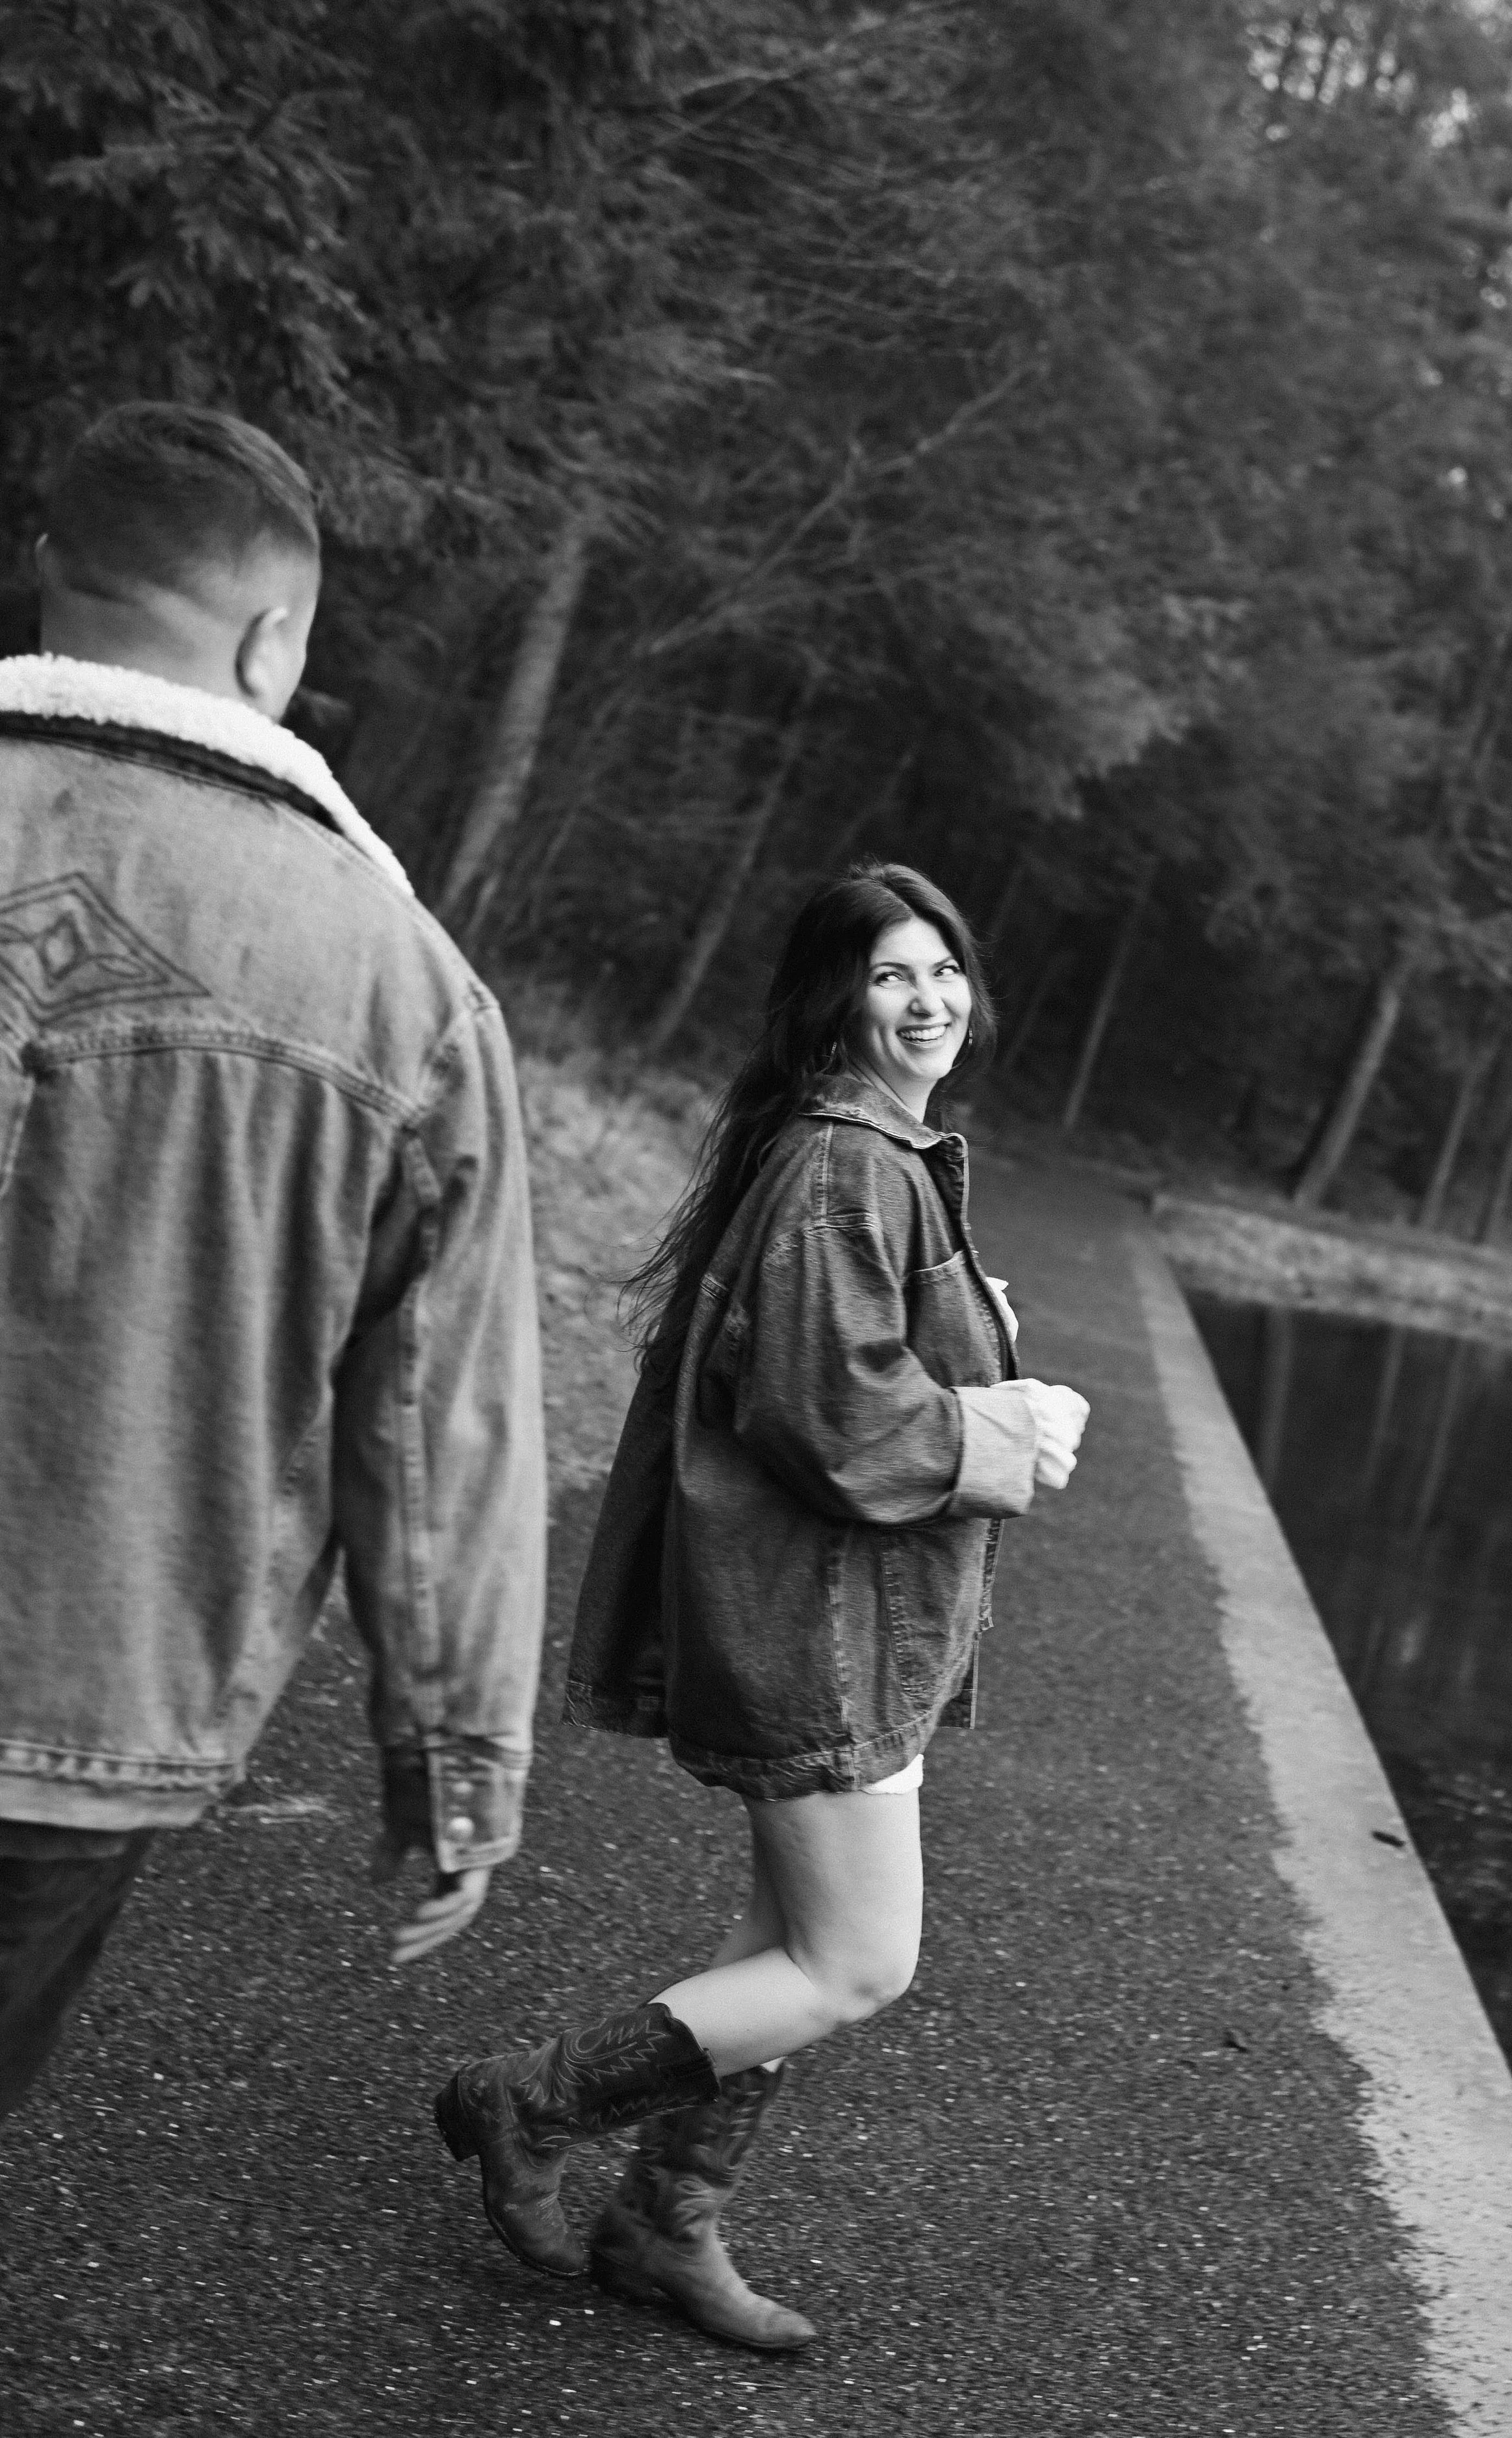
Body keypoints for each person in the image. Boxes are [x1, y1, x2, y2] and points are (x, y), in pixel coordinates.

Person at [436, 861, 1088, 2351]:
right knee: (855, 1964)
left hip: (860, 1620)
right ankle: (532, 2104)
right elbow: (827, 1411)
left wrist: (980, 1359)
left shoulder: (880, 1154)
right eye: (889, 975)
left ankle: (663, 2222)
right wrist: (997, 1432)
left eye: (943, 970)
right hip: (820, 1629)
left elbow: (838, 1362)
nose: (927, 1001)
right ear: (832, 1001)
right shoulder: (845, 1165)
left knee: (778, 1947)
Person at [0, 402, 546, 2117]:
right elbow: (436, 1422)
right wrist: (452, 1759)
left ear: (48, 575)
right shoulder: (403, 988)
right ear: (272, 643)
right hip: (81, 1697)